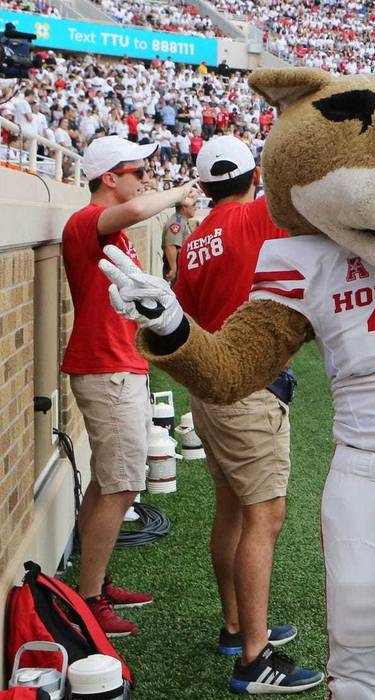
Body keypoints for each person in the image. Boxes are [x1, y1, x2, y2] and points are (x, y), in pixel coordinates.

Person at [173, 136, 323, 694]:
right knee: (265, 516)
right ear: (252, 176)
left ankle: (238, 629)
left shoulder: (194, 241)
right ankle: (254, 658)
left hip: (210, 387)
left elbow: (187, 309)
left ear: (206, 185)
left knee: (232, 511)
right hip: (248, 388)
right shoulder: (257, 215)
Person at [61, 136, 198, 636]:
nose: (143, 175)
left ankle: (94, 586)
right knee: (120, 486)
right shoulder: (85, 222)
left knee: (111, 482)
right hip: (105, 369)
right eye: (134, 168)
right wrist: (182, 190)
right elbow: (140, 207)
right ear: (108, 177)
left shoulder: (109, 232)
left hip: (119, 366)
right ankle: (91, 599)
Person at [161, 192, 195, 282]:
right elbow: (170, 245)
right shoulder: (177, 223)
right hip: (177, 270)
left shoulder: (182, 221)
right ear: (184, 207)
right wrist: (173, 268)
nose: (196, 208)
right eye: (193, 205)